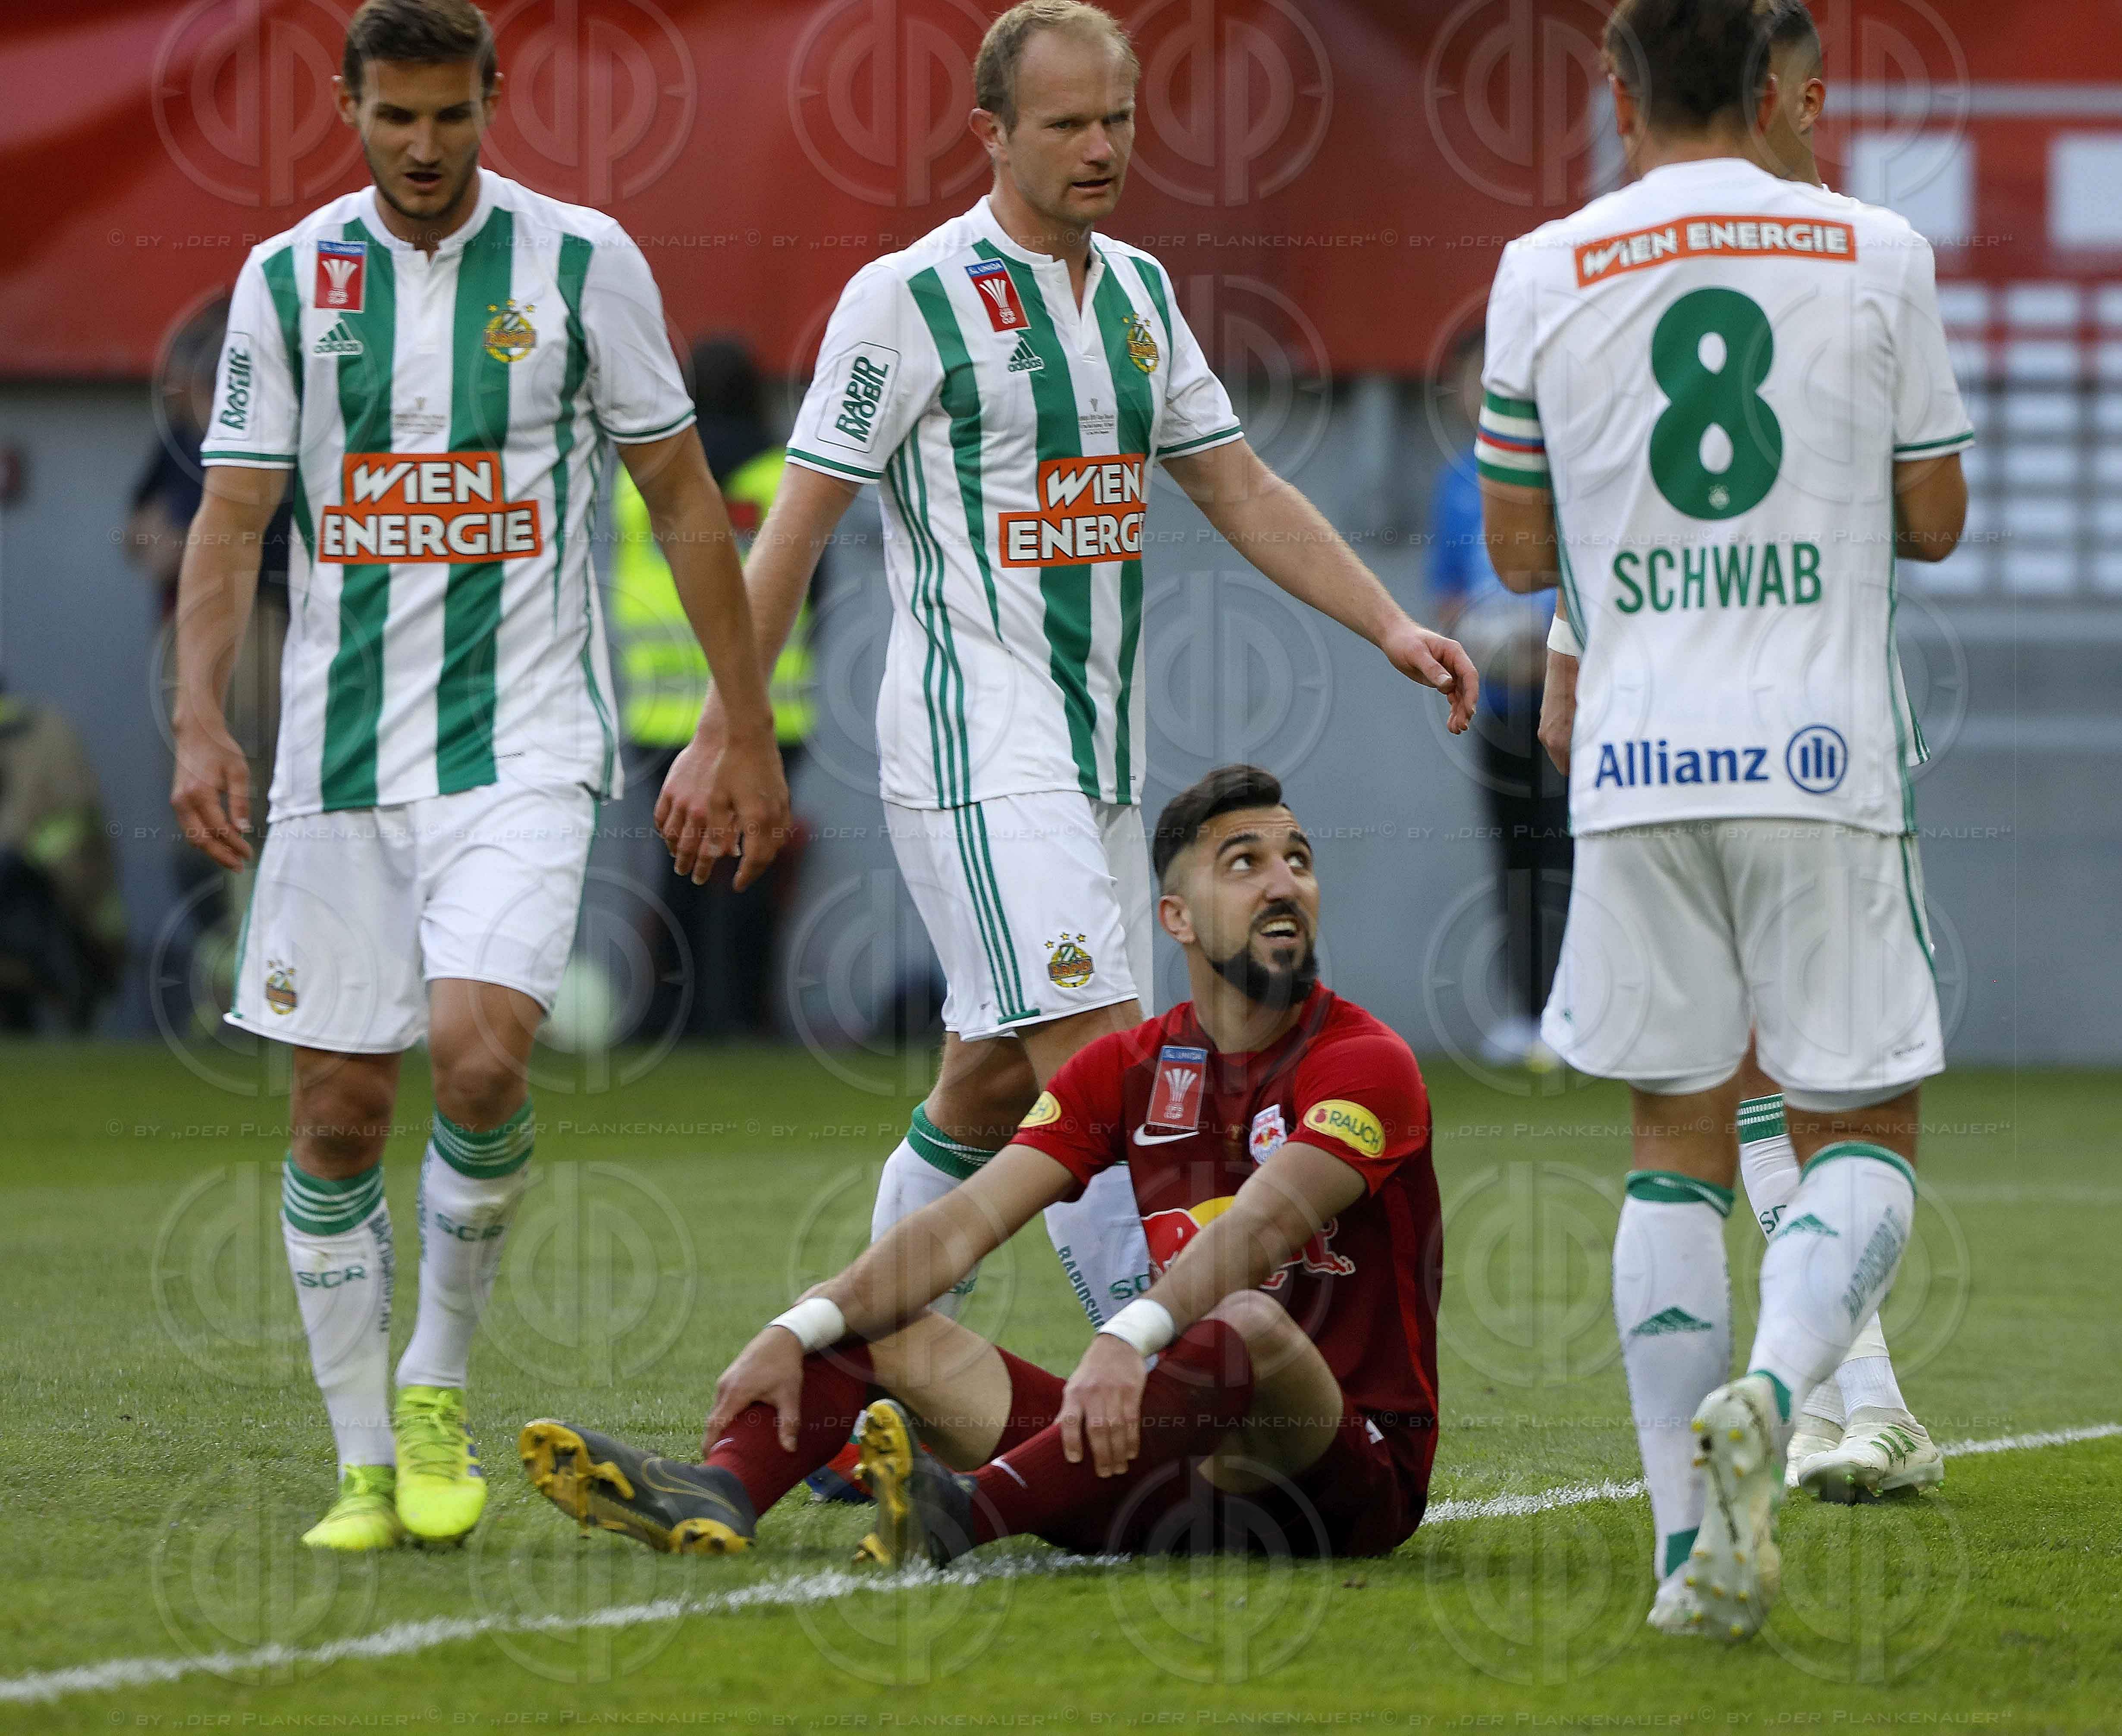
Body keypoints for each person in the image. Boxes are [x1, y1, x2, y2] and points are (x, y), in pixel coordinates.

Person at [687, 0, 1474, 1339]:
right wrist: (729, 730)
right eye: (1068, 125)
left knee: (992, 1086)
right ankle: (1180, 1366)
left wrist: (1387, 623)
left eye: (1118, 118)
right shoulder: (908, 299)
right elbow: (794, 526)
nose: (1102, 147)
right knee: (1113, 1064)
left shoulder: (1140, 295)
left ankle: (855, 1366)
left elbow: (1239, 484)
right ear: (992, 133)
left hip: (1098, 750)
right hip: (974, 742)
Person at [172, 0, 788, 1552]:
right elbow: (235, 516)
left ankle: (436, 1379)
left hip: (525, 741)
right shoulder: (288, 281)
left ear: (495, 100)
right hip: (338, 757)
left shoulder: (584, 261)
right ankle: (370, 1460)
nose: (427, 148)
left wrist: (744, 717)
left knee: (483, 1050)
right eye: (397, 119)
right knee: (333, 1106)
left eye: (453, 117)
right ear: (348, 106)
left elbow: (678, 491)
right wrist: (197, 721)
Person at [1478, 0, 1970, 1638]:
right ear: (1775, 85)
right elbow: (1938, 514)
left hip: (1635, 758)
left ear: (1615, 87)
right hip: (1823, 749)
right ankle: (1779, 1383)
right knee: (1869, 1129)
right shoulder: (1879, 248)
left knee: (1673, 1146)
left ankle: (1690, 1556)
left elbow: (1527, 553)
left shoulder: (1544, 265)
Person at [518, 764, 1441, 1565]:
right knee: (870, 1317)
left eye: (1299, 862)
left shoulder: (1366, 1064)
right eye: (1244, 864)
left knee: (1248, 1319)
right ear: (1176, 918)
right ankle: (718, 1493)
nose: (1284, 883)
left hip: (1341, 1480)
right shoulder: (1126, 1069)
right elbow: (961, 1225)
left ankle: (966, 1512)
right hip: (1170, 1472)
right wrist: (797, 1328)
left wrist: (1128, 1338)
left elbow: (1261, 1227)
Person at [609, 337, 816, 1038]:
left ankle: (673, 1015)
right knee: (749, 867)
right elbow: (810, 587)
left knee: (681, 869)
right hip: (769, 711)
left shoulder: (648, 475)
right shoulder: (780, 474)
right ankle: (743, 1015)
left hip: (660, 710)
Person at [1427, 329, 1570, 1070]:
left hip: (1570, 693)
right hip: (1498, 703)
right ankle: (1528, 1010)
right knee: (1515, 853)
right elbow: (1445, 597)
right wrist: (1478, 639)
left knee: (1571, 851)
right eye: (1469, 379)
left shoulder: (1564, 474)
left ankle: (1582, 1011)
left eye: (1494, 376)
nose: (1479, 392)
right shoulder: (1454, 483)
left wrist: (1544, 636)